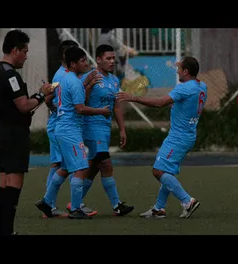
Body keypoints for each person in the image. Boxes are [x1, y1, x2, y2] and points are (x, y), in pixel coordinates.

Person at [117, 56, 205, 218]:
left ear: (185, 72)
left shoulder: (184, 88)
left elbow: (160, 103)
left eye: (179, 68)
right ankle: (159, 208)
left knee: (158, 171)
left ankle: (187, 201)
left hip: (178, 137)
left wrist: (133, 97)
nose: (177, 70)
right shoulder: (201, 86)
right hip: (187, 135)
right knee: (167, 172)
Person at [0, 29, 55, 235]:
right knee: (14, 183)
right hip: (13, 134)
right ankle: (7, 231)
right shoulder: (10, 75)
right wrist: (41, 93)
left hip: (3, 131)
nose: (26, 56)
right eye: (25, 51)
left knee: (4, 182)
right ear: (15, 50)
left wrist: (41, 100)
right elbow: (24, 105)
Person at [39, 46, 112, 219]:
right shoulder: (73, 81)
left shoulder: (66, 78)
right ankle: (76, 208)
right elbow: (79, 108)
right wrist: (101, 111)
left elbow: (58, 100)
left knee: (64, 167)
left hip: (63, 128)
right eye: (82, 61)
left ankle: (47, 202)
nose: (86, 63)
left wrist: (86, 84)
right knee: (81, 167)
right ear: (73, 64)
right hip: (70, 129)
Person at [66, 44, 134, 216]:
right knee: (106, 163)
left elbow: (117, 106)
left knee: (94, 166)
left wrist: (122, 129)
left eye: (113, 58)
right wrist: (88, 87)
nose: (112, 62)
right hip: (90, 127)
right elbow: (79, 103)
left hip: (104, 129)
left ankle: (74, 202)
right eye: (108, 58)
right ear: (98, 59)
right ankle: (117, 205)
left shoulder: (114, 79)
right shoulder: (89, 77)